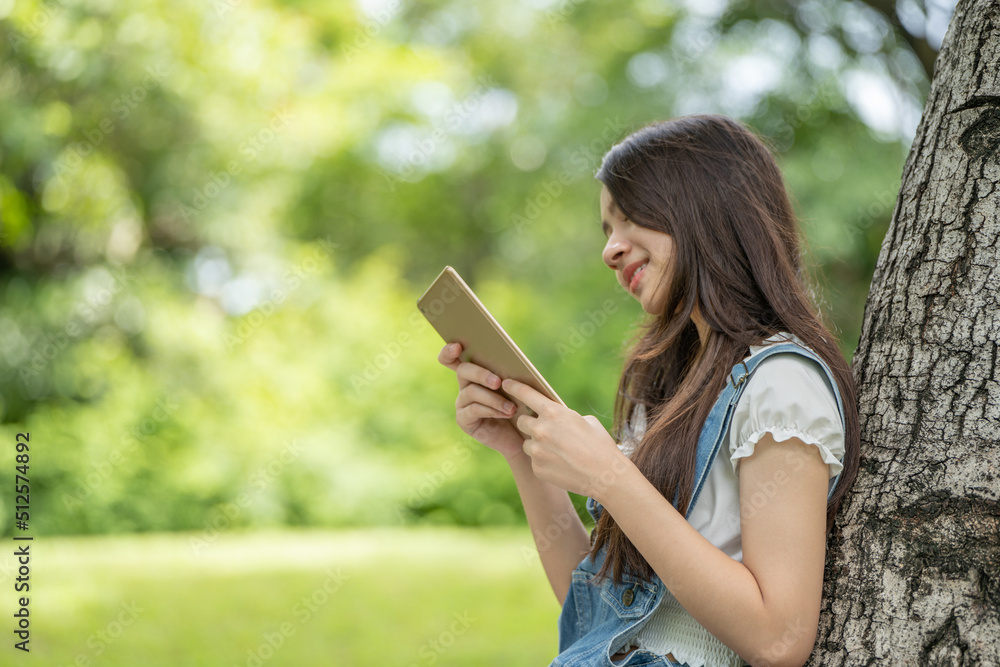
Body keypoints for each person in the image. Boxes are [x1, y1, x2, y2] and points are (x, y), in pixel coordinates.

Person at [436, 114, 860, 667]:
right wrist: (520, 447)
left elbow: (778, 637)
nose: (610, 250)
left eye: (630, 218)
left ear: (704, 206)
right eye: (607, 230)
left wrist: (611, 479)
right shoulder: (666, 387)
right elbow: (597, 614)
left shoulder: (781, 384)